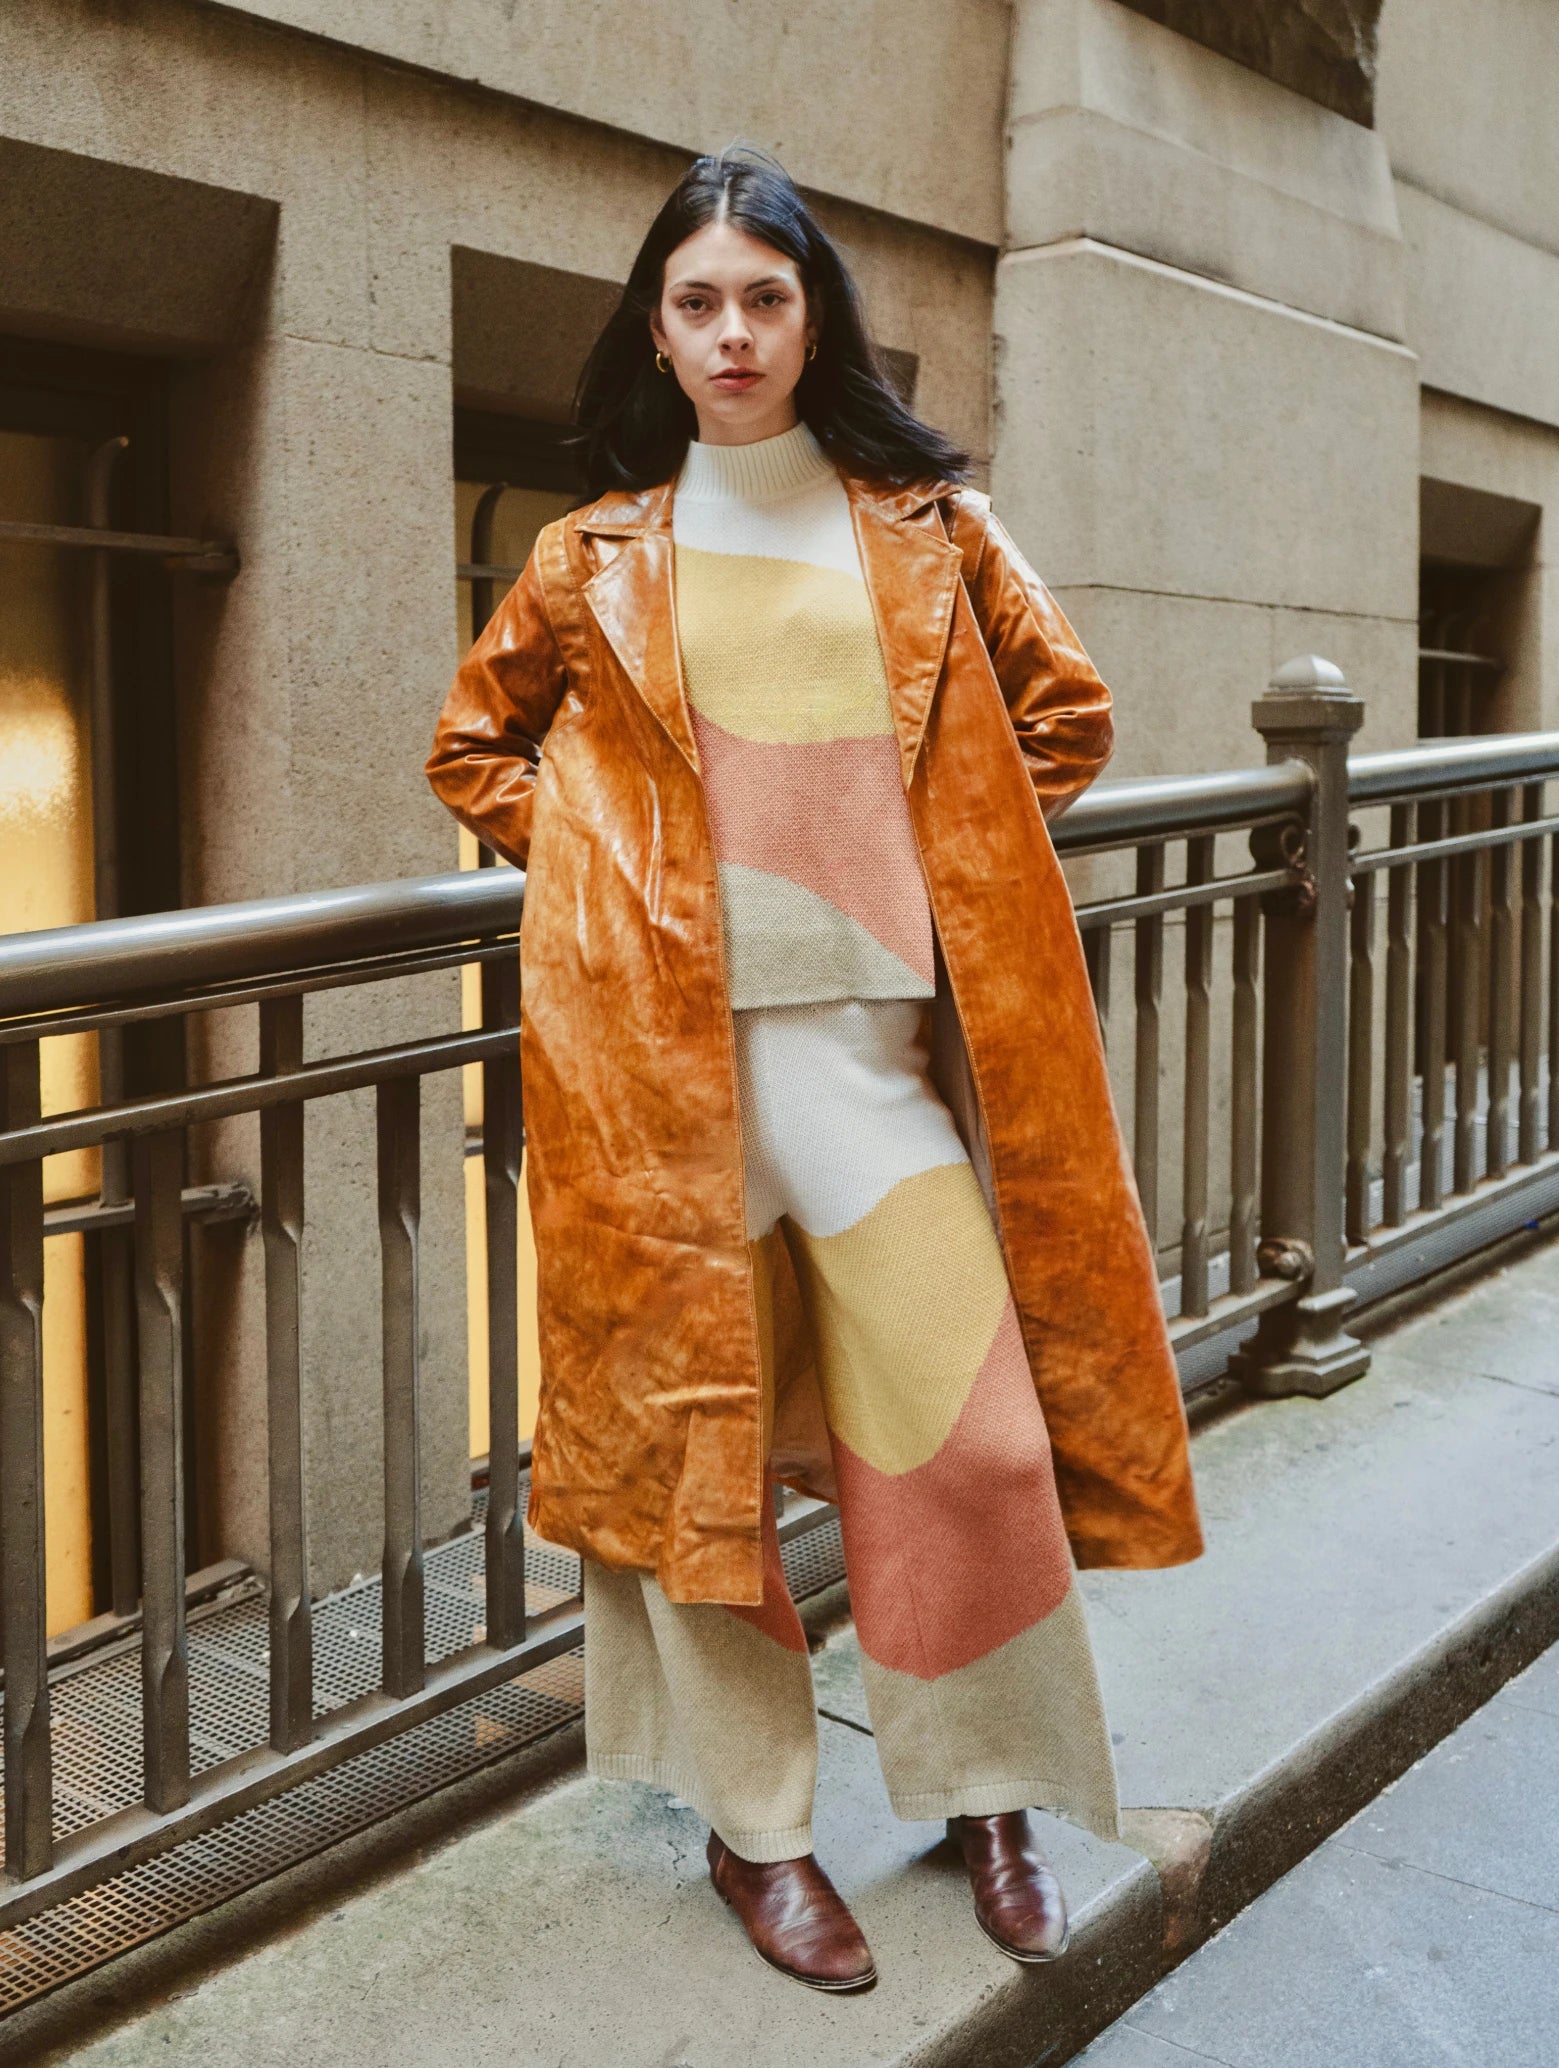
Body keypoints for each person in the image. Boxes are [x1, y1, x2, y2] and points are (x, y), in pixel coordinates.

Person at [426, 144, 1203, 1995]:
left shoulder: (929, 530)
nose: (732, 332)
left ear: (815, 317)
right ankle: (758, 1836)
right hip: (660, 1103)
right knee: (698, 1480)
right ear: (658, 327)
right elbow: (476, 753)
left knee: (977, 1444)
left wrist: (948, 863)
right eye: (696, 301)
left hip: (871, 1077)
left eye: (765, 297)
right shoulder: (594, 556)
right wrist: (609, 878)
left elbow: (1067, 718)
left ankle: (990, 1791)